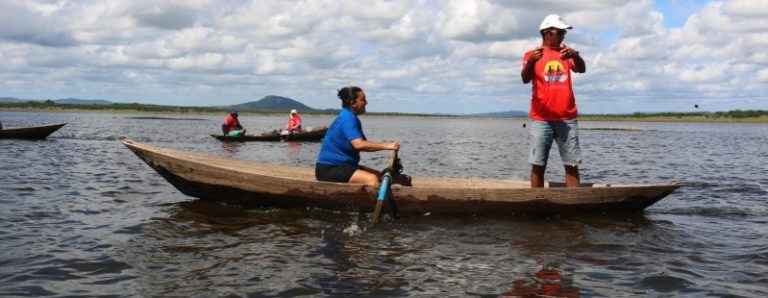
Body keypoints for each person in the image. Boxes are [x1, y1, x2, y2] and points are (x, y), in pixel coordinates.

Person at [521, 14, 586, 188]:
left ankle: (573, 200)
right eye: (560, 32)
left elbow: (581, 69)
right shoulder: (531, 55)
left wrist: (575, 55)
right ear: (547, 33)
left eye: (564, 32)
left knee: (571, 165)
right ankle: (537, 200)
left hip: (567, 118)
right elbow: (525, 79)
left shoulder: (566, 54)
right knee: (538, 165)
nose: (563, 36)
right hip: (541, 119)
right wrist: (531, 62)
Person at [315, 86, 399, 185]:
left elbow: (362, 145)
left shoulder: (348, 116)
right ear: (353, 103)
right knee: (372, 179)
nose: (366, 102)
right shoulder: (348, 118)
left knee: (379, 176)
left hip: (344, 166)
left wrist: (387, 146)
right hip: (329, 168)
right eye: (363, 99)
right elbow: (358, 144)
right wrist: (387, 146)